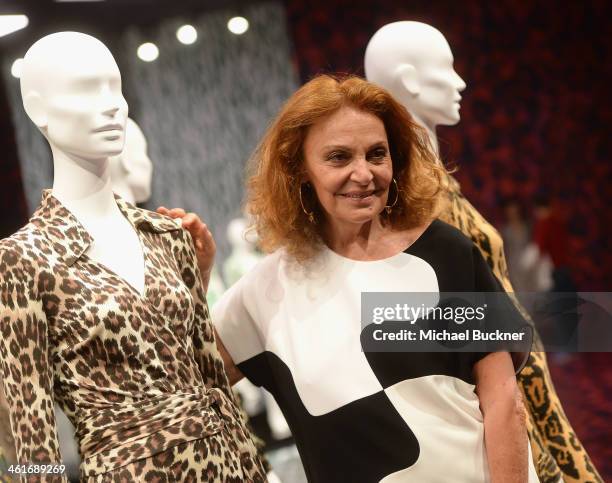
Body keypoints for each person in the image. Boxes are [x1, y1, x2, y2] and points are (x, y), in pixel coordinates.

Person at [159, 75, 538, 482]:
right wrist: (193, 281)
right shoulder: (265, 291)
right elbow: (182, 377)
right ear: (300, 168)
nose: (363, 174)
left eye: (377, 154)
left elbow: (504, 404)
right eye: (338, 158)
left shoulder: (446, 254)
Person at [0, 32, 266, 482]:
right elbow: (30, 429)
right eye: (86, 89)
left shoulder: (167, 235)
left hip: (228, 466)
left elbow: (211, 382)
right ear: (37, 108)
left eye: (116, 87)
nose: (112, 105)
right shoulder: (22, 259)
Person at [364, 20, 602, 482]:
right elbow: (425, 309)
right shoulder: (407, 188)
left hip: (515, 371)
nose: (461, 82)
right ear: (410, 80)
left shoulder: (432, 177)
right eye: (447, 70)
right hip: (489, 384)